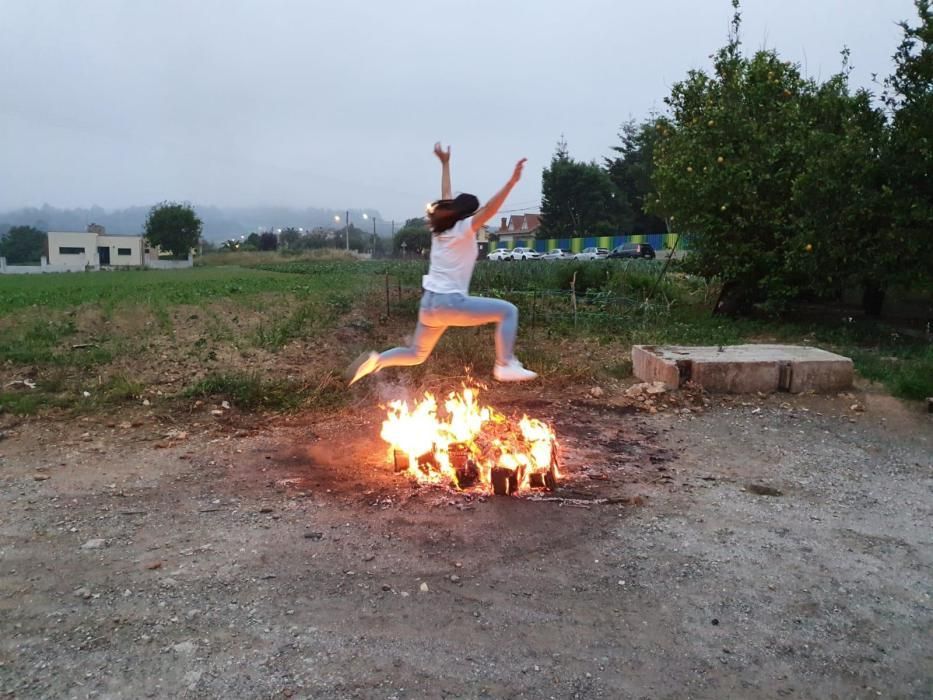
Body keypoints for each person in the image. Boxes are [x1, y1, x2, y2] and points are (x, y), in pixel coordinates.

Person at [347, 142, 537, 385]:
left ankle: (377, 361)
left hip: (429, 305)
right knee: (508, 311)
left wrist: (445, 164)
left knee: (416, 354)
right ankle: (505, 364)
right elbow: (490, 209)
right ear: (468, 215)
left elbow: (446, 195)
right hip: (450, 303)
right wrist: (511, 183)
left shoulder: (441, 230)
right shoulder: (463, 229)